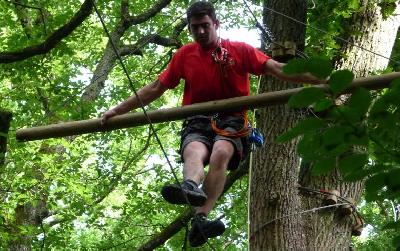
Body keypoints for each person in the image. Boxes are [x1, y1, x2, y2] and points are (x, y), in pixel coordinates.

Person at [101, 1, 324, 247]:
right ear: (190, 29)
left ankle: (201, 217)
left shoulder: (239, 50)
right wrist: (117, 109)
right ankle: (189, 187)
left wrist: (322, 79)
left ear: (216, 24)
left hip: (232, 117)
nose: (201, 32)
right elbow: (156, 87)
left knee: (220, 153)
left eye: (205, 26)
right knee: (194, 151)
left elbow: (277, 68)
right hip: (197, 117)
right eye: (195, 27)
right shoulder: (185, 55)